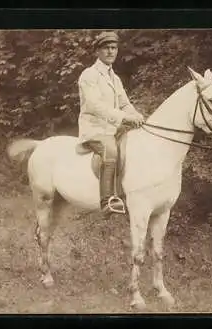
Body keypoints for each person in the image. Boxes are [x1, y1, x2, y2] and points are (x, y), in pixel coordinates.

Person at [77, 31, 145, 217]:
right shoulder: (89, 75)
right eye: (106, 48)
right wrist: (124, 117)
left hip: (113, 129)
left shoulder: (115, 78)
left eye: (113, 48)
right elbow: (95, 105)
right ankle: (107, 201)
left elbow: (125, 103)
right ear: (97, 51)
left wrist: (137, 115)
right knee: (111, 149)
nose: (110, 51)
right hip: (94, 130)